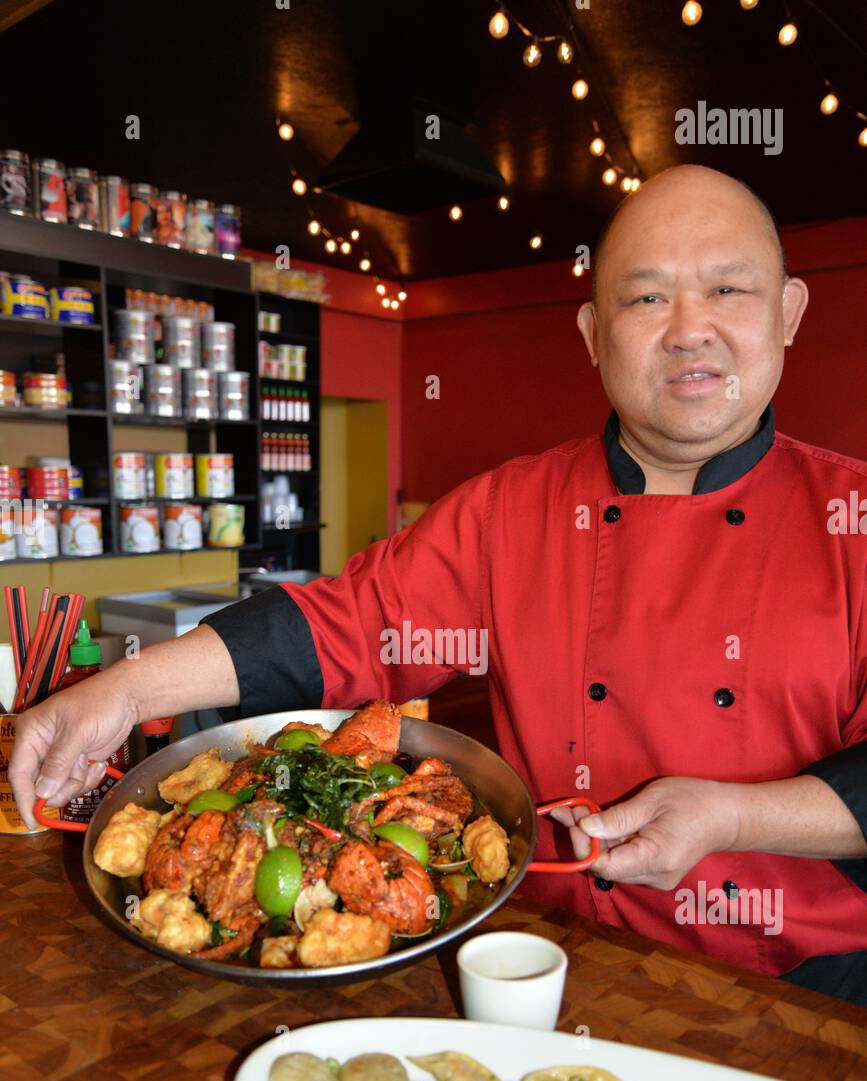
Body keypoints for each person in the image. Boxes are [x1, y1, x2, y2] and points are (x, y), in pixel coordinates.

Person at [11, 164, 867, 1003]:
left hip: (803, 986)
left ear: (787, 313)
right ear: (591, 331)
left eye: (728, 290)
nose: (687, 329)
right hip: (541, 950)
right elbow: (347, 623)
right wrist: (124, 688)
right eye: (645, 297)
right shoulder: (509, 507)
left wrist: (734, 818)